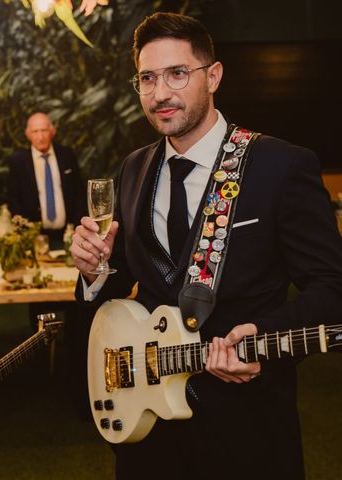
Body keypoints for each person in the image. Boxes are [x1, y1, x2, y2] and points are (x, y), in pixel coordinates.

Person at [70, 12, 342, 480]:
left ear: (212, 76)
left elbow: (330, 287)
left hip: (246, 426)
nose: (160, 94)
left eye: (177, 73)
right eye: (147, 78)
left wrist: (263, 336)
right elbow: (122, 277)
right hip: (149, 427)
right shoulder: (132, 170)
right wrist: (93, 271)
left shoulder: (279, 166)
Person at [6, 112, 86, 249]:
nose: (40, 136)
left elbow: (79, 193)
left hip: (69, 235)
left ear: (52, 131)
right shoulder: (18, 162)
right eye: (35, 131)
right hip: (34, 239)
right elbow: (13, 200)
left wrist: (77, 227)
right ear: (28, 134)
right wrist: (28, 231)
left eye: (44, 130)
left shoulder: (67, 155)